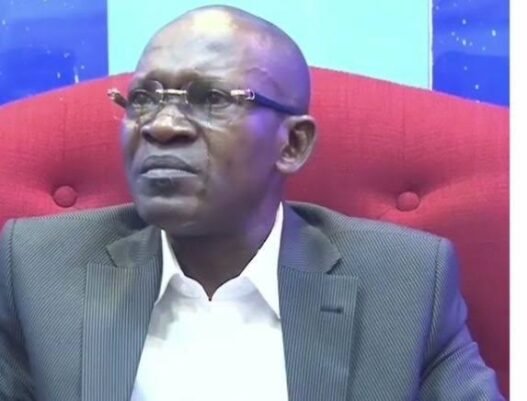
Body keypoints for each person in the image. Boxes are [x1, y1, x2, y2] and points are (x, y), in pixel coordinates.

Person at [0, 5, 504, 401]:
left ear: (292, 145)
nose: (162, 126)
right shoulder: (39, 268)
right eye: (144, 99)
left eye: (211, 100)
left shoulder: (404, 282)